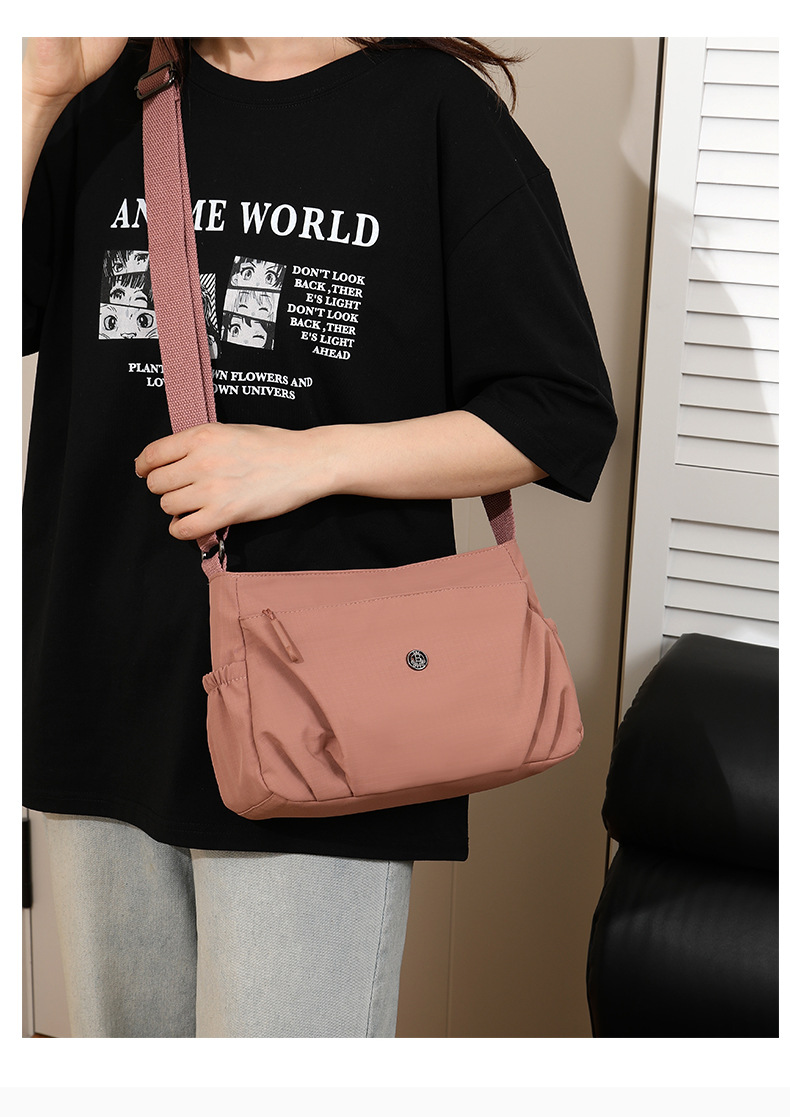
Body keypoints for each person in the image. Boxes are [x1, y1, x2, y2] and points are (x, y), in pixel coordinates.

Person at [22, 36, 617, 1039]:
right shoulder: (99, 101)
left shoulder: (437, 114)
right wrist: (37, 92)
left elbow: (557, 413)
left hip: (328, 720)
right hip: (96, 690)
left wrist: (306, 459)